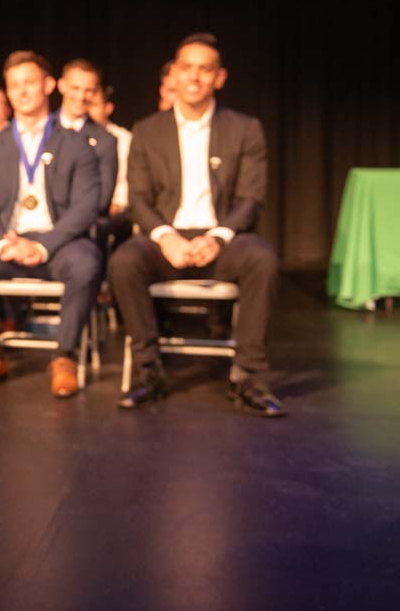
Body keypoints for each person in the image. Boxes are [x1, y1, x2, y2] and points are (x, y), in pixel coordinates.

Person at [109, 33, 285, 417]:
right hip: (165, 238)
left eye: (204, 70)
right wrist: (165, 236)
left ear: (219, 78)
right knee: (124, 262)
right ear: (172, 74)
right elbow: (138, 198)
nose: (194, 77)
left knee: (263, 258)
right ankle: (148, 372)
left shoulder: (245, 128)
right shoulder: (147, 129)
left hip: (220, 238)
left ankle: (249, 377)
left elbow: (251, 198)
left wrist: (218, 237)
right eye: (186, 68)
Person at [0, 51, 102, 398]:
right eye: (14, 85)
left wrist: (43, 244)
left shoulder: (76, 142)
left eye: (30, 83)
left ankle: (64, 356)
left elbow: (87, 205)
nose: (22, 92)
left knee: (87, 261)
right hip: (8, 241)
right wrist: (2, 242)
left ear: (49, 86)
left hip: (58, 243)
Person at [57, 59, 117, 214]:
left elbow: (102, 200)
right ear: (61, 85)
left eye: (89, 90)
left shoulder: (105, 140)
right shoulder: (42, 131)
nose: (81, 96)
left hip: (82, 229)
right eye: (75, 88)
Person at [87, 83, 132, 217]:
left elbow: (128, 178)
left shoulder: (123, 138)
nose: (88, 110)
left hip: (113, 211)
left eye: (94, 105)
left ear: (108, 108)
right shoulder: (72, 136)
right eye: (86, 104)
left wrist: (118, 203)